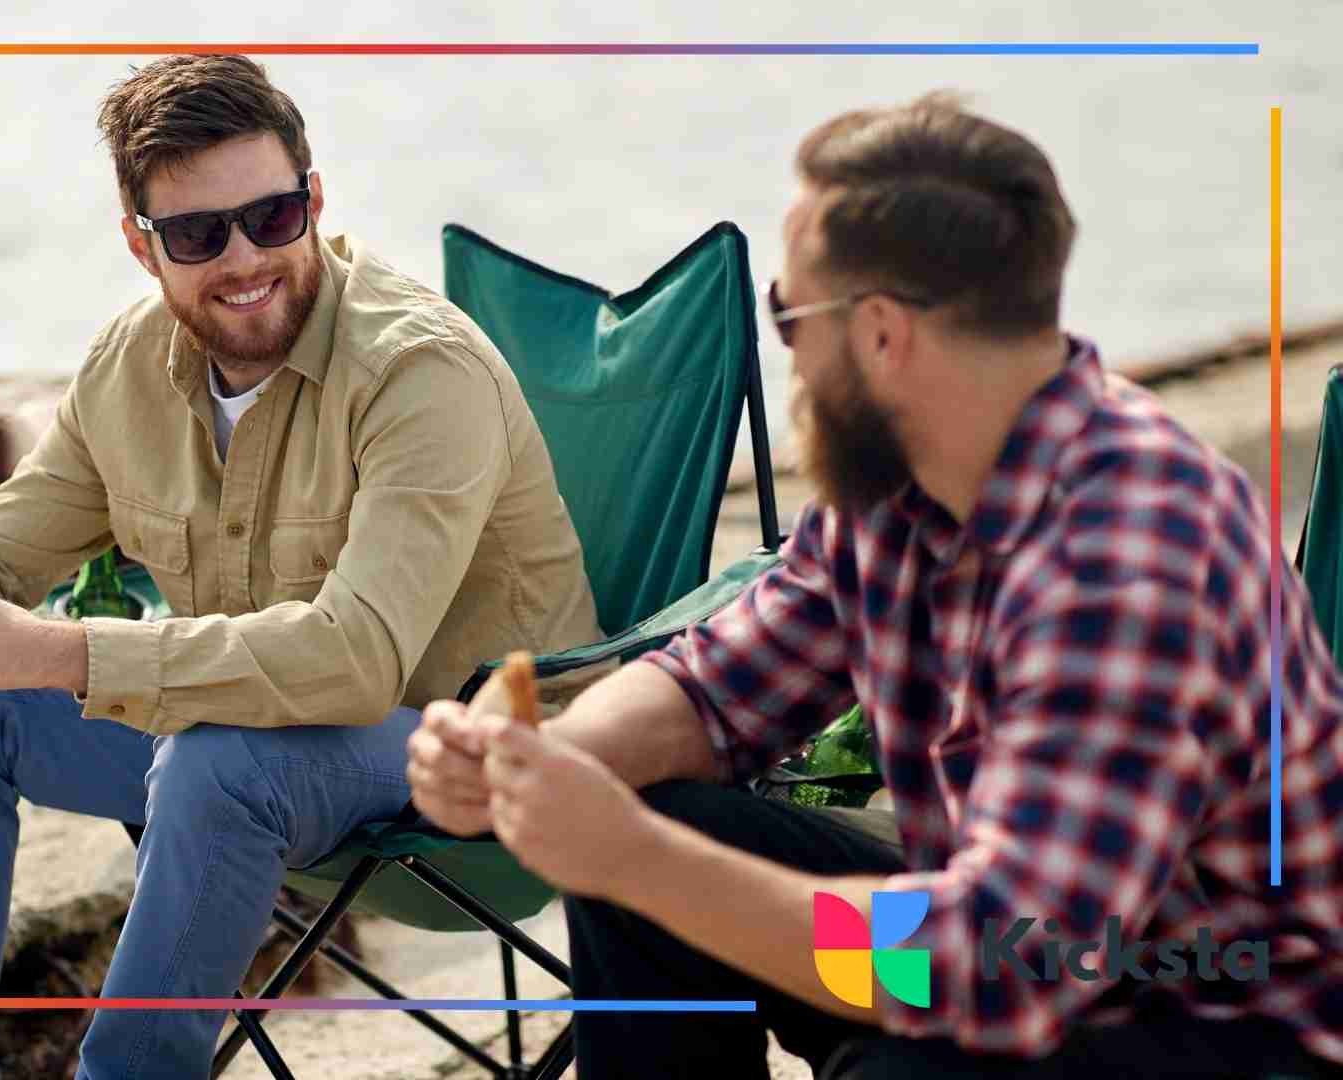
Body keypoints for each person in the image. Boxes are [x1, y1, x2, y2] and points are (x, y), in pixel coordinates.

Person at [408, 92, 1343, 1079]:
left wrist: (630, 853)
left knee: (881, 1057)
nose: (790, 356)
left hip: (1221, 1021)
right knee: (647, 844)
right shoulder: (903, 482)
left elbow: (993, 970)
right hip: (1021, 951)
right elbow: (712, 691)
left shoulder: (1126, 556)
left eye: (788, 315)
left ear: (883, 335)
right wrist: (535, 769)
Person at [0, 54, 603, 1079]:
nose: (244, 259)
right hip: (251, 754)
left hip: (464, 760)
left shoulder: (419, 372)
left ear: (314, 200)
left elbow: (357, 659)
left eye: (272, 217)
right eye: (197, 235)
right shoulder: (131, 366)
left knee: (219, 759)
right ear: (141, 245)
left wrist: (59, 653)